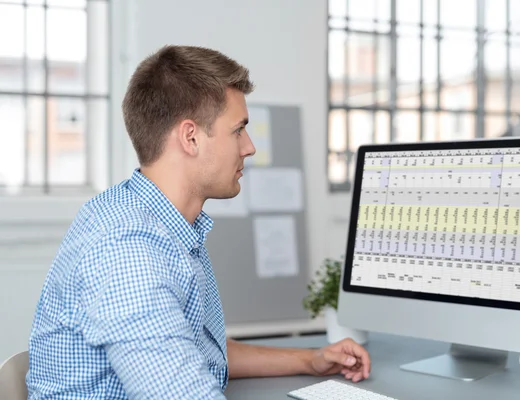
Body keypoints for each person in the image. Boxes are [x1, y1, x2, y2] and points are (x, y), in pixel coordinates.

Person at [26, 45, 371, 399]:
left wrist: (310, 360)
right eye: (238, 130)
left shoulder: (152, 219)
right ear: (190, 137)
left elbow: (194, 352)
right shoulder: (128, 249)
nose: (249, 147)